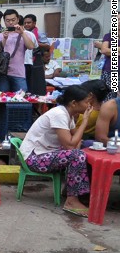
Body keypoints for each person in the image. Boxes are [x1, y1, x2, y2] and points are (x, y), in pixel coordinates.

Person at [19, 85, 93, 217]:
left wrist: (76, 143)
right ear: (74, 103)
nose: (89, 105)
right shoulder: (59, 114)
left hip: (45, 154)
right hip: (33, 158)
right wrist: (85, 122)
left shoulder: (68, 115)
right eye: (86, 102)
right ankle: (71, 201)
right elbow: (71, 145)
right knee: (77, 155)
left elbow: (76, 140)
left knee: (81, 152)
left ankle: (72, 191)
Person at [0, 9, 36, 92]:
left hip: (18, 72)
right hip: (2, 72)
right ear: (4, 21)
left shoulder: (24, 34)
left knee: (21, 99)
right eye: (8, 20)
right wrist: (4, 39)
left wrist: (22, 33)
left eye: (13, 20)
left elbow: (31, 47)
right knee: (3, 99)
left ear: (18, 20)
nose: (11, 23)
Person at [94, 32, 114, 101]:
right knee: (110, 97)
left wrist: (110, 49)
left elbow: (106, 49)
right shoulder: (109, 36)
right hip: (111, 71)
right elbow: (104, 50)